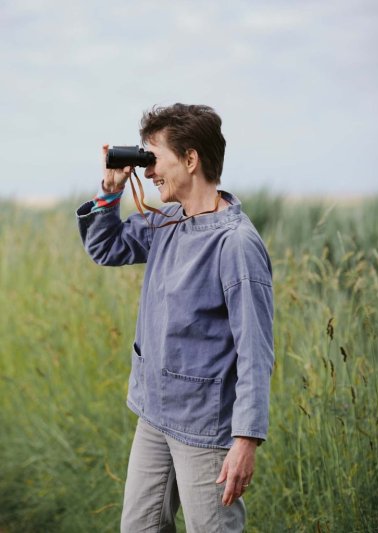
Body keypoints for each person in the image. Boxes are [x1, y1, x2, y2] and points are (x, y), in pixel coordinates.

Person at [76, 103, 274, 533]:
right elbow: (106, 249)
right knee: (140, 528)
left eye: (155, 159)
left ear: (190, 159)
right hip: (154, 414)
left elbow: (256, 351)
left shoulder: (236, 243)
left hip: (205, 425)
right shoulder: (165, 220)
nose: (148, 172)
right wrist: (110, 191)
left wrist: (246, 439)